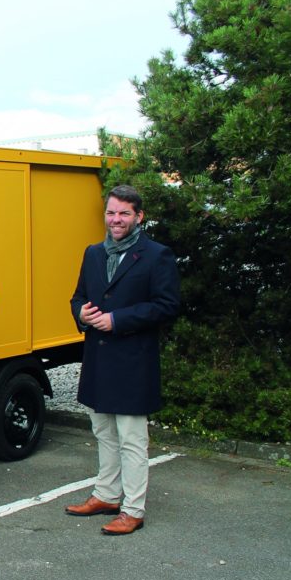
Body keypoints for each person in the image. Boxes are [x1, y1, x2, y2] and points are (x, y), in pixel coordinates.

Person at [66, 185, 180, 535]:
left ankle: (133, 509)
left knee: (131, 438)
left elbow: (167, 306)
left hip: (133, 362)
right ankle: (106, 494)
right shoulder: (93, 253)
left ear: (139, 216)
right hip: (99, 360)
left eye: (124, 213)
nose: (115, 220)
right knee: (103, 432)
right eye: (111, 212)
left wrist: (118, 320)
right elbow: (78, 297)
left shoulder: (156, 255)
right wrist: (81, 314)